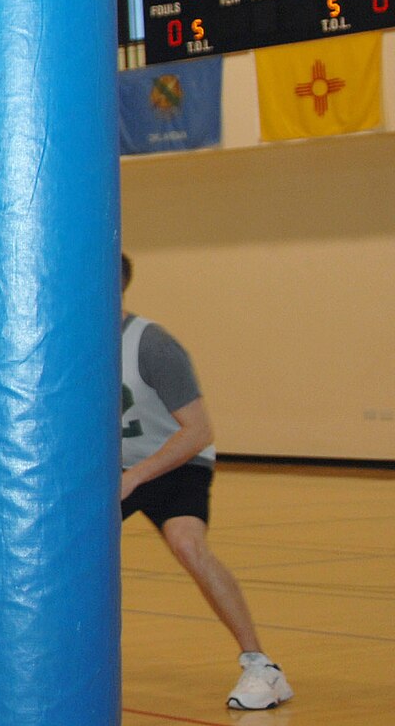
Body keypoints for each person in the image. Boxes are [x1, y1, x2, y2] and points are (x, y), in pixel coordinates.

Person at [118, 253, 291, 711]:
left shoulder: (151, 345)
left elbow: (198, 432)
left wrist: (135, 476)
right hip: (114, 469)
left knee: (187, 543)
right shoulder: (70, 342)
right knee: (72, 549)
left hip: (175, 461)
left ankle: (261, 665)